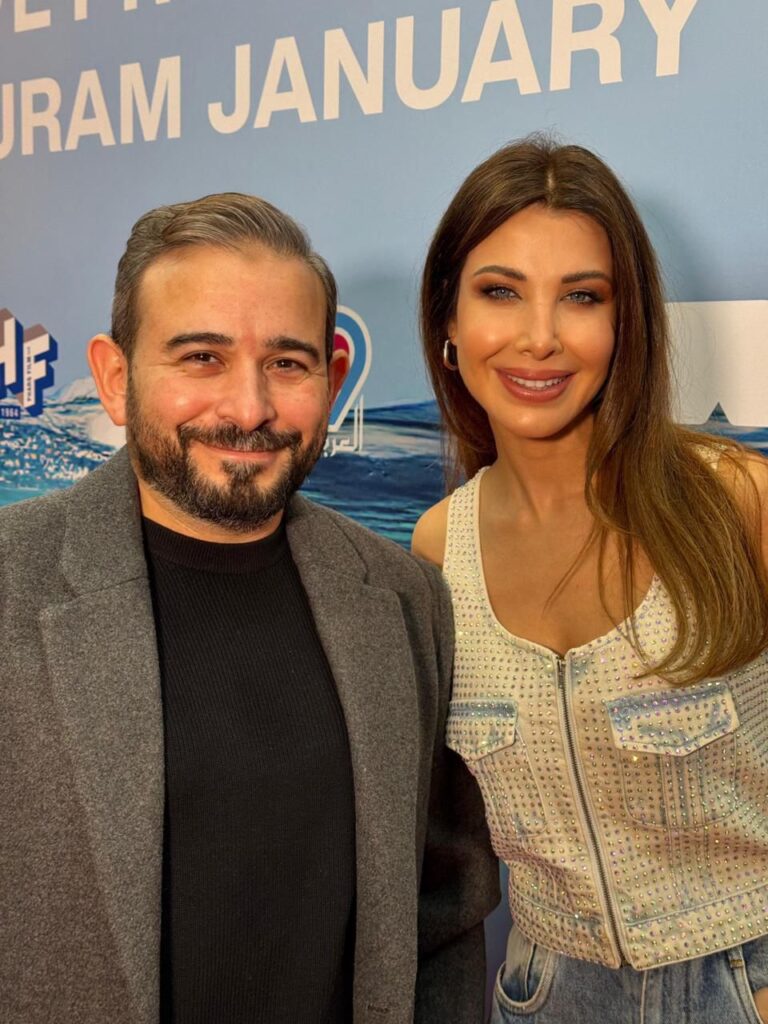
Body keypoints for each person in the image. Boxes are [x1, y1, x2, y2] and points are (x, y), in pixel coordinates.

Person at [0, 193, 498, 1024]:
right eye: (202, 357)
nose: (249, 408)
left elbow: (442, 912)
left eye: (288, 363)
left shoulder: (405, 599)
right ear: (116, 378)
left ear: (333, 381)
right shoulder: (12, 580)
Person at [412, 137, 768, 1023]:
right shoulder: (437, 546)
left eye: (581, 296)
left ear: (624, 322)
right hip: (543, 995)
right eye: (500, 292)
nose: (540, 336)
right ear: (448, 320)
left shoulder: (737, 500)